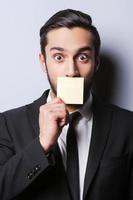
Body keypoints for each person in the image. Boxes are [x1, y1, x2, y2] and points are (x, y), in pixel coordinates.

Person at [0, 9, 133, 200]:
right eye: (59, 57)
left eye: (82, 57)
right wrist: (41, 144)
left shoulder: (127, 125)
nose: (71, 72)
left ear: (96, 62)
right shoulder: (7, 124)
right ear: (43, 62)